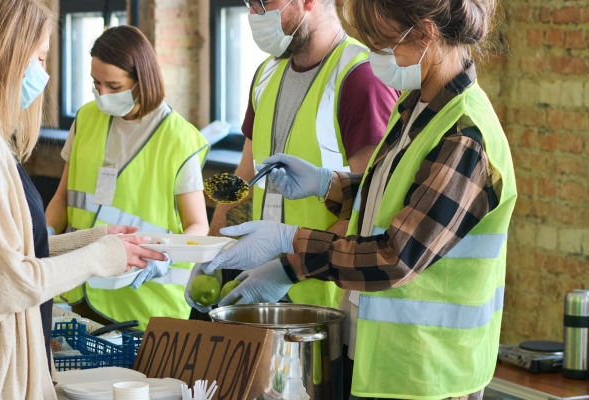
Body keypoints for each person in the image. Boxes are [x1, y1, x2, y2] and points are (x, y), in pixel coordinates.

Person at [210, 0, 512, 397]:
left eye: (383, 44)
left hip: (428, 372)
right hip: (385, 359)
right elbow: (394, 196)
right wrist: (328, 184)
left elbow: (394, 255)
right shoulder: (416, 107)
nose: (374, 57)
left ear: (425, 34)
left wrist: (291, 243)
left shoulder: (463, 136)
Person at [0, 0, 167, 397]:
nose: (43, 74)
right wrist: (99, 258)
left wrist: (91, 241)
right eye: (40, 57)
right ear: (5, 52)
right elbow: (3, 285)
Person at [192, 0, 398, 314]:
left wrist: (286, 270)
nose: (253, 15)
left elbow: (368, 211)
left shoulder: (361, 78)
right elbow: (244, 179)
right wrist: (213, 253)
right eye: (249, 4)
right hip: (252, 289)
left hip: (319, 302)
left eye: (263, 3)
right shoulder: (265, 74)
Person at [45, 26, 209, 330]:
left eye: (114, 85)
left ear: (141, 80)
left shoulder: (178, 138)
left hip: (144, 307)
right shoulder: (86, 118)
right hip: (77, 292)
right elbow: (62, 197)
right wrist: (42, 237)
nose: (102, 94)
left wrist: (167, 258)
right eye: (96, 84)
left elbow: (198, 225)